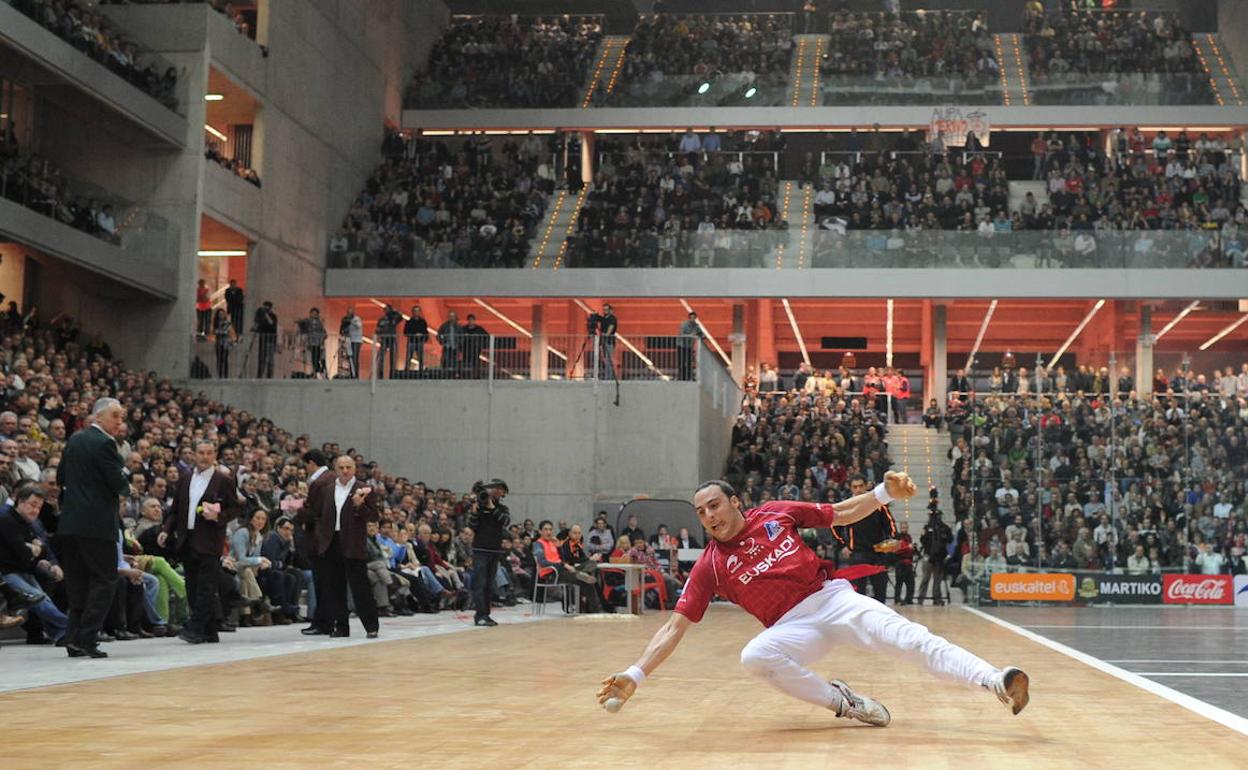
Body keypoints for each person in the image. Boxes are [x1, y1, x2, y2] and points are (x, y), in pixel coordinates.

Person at [596, 472, 1030, 724]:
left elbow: (839, 512)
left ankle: (995, 680)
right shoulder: (711, 563)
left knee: (910, 638)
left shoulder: (775, 513)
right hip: (792, 628)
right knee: (754, 656)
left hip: (832, 600)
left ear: (735, 502)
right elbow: (676, 626)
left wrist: (883, 494)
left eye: (715, 506)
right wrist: (636, 673)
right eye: (702, 512)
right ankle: (845, 702)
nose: (709, 517)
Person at [56, 397, 129, 658]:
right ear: (98, 417)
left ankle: (73, 637)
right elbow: (118, 483)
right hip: (97, 524)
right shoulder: (105, 444)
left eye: (121, 417)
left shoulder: (74, 439)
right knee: (105, 579)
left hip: (70, 523)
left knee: (77, 582)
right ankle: (87, 637)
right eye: (115, 416)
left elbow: (60, 477)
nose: (120, 422)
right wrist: (126, 484)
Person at [159, 440, 240, 644]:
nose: (204, 456)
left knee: (206, 587)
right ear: (194, 455)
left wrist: (219, 517)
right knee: (193, 587)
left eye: (209, 453)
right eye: (201, 452)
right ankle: (209, 630)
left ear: (214, 456)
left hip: (210, 540)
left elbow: (236, 508)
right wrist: (166, 530)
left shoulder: (223, 480)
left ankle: (195, 628)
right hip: (187, 539)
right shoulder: (185, 479)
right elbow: (176, 509)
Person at [308, 455, 380, 638]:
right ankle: (341, 626)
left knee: (360, 586)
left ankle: (371, 626)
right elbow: (317, 514)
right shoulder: (327, 489)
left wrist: (359, 506)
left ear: (355, 468)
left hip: (353, 543)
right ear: (335, 469)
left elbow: (373, 517)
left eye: (348, 467)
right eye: (341, 467)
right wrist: (320, 534)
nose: (345, 470)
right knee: (335, 586)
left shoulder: (364, 489)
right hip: (331, 541)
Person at [0, 483, 69, 644]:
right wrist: (33, 548)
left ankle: (61, 633)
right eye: (32, 505)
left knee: (43, 597)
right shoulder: (5, 519)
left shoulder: (29, 523)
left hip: (23, 570)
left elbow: (43, 549)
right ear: (20, 501)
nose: (35, 510)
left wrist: (34, 548)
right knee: (38, 598)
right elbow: (23, 553)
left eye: (39, 507)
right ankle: (71, 628)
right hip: (6, 572)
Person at [831, 475, 897, 602]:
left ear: (867, 486)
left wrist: (891, 540)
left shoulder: (879, 505)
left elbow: (891, 525)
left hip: (879, 552)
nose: (858, 489)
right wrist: (842, 546)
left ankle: (879, 620)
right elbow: (834, 526)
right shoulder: (846, 506)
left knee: (880, 592)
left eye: (861, 486)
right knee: (857, 594)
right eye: (855, 487)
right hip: (857, 553)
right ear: (850, 489)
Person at [298, 449, 334, 635]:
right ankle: (326, 620)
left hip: (319, 539)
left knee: (321, 582)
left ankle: (322, 622)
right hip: (331, 538)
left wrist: (300, 508)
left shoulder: (318, 483)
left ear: (311, 463)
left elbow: (313, 513)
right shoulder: (333, 478)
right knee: (327, 582)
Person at [469, 479, 511, 626]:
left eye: (500, 489)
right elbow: (472, 525)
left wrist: (492, 507)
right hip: (480, 549)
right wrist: (474, 510)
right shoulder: (479, 506)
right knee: (480, 584)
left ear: (503, 493)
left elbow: (505, 521)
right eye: (494, 488)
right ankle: (479, 615)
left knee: (489, 584)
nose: (496, 491)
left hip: (494, 550)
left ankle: (486, 614)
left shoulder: (502, 509)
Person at [260, 516, 306, 623]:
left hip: (277, 569)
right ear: (278, 528)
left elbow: (287, 562)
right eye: (286, 529)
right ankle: (282, 610)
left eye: (291, 530)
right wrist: (281, 565)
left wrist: (292, 548)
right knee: (284, 577)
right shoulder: (273, 538)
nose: (289, 532)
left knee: (297, 574)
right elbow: (270, 561)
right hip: (266, 570)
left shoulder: (287, 541)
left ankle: (292, 611)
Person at [917, 503, 953, 605]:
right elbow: (922, 540)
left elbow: (950, 539)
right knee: (925, 578)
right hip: (928, 555)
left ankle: (937, 598)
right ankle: (921, 598)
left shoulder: (945, 528)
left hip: (940, 557)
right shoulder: (927, 527)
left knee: (937, 579)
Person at [252, 301, 278, 378]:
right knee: (261, 358)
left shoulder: (273, 316)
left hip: (270, 340)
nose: (265, 309)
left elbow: (271, 323)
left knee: (270, 359)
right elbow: (257, 325)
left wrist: (266, 314)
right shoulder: (261, 316)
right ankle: (259, 375)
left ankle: (269, 376)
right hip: (262, 339)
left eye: (266, 307)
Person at [677, 311, 702, 381]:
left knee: (688, 361)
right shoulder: (684, 325)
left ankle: (688, 376)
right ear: (689, 318)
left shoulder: (696, 326)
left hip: (689, 346)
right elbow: (681, 335)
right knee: (681, 361)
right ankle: (681, 376)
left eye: (694, 318)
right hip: (681, 345)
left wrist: (699, 335)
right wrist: (690, 335)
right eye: (692, 318)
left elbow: (701, 333)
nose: (693, 319)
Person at [403, 305, 428, 372]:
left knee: (420, 357)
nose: (416, 312)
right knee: (409, 357)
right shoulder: (409, 322)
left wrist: (423, 337)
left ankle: (421, 370)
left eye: (417, 311)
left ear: (419, 312)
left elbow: (425, 332)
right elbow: (405, 332)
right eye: (415, 311)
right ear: (412, 312)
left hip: (419, 342)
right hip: (411, 341)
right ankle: (406, 370)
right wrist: (414, 334)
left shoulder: (423, 322)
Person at [438, 311, 462, 377]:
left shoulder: (458, 327)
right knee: (445, 359)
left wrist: (459, 343)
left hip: (455, 346)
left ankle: (454, 373)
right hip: (447, 346)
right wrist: (442, 341)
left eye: (453, 316)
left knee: (455, 360)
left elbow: (462, 336)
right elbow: (439, 334)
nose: (451, 318)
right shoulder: (444, 326)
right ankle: (444, 373)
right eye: (450, 316)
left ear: (455, 317)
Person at [597, 303, 618, 380]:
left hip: (609, 341)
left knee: (609, 360)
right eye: (604, 310)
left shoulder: (612, 318)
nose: (605, 311)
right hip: (603, 341)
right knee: (606, 360)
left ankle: (608, 377)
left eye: (606, 309)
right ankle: (607, 376)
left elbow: (611, 327)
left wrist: (607, 334)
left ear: (610, 310)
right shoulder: (604, 318)